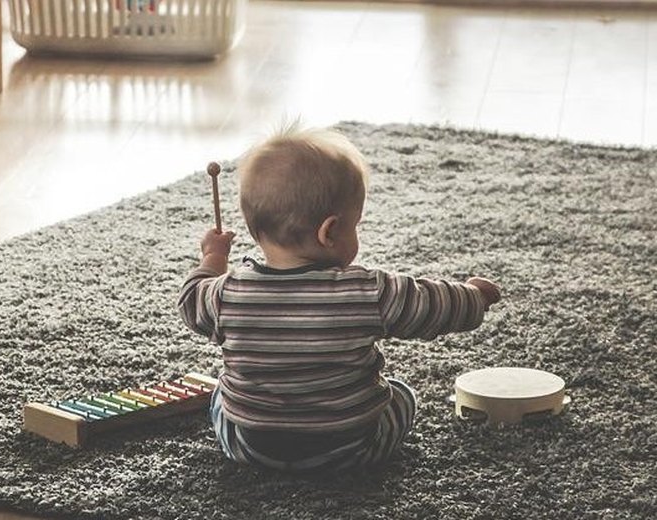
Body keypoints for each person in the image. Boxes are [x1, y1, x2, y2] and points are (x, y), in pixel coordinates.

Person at [178, 122, 501, 471]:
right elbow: (431, 304)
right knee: (402, 394)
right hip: (351, 448)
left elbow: (190, 300)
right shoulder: (367, 292)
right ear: (329, 231)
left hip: (251, 447)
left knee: (219, 396)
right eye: (355, 225)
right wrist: (474, 297)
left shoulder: (225, 294)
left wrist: (213, 258)